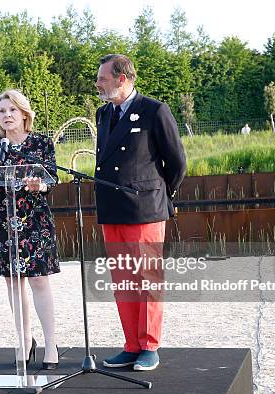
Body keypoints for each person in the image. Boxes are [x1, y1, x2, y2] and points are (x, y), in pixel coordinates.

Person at [94, 54, 186, 371]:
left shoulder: (154, 110)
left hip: (144, 208)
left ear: (122, 78)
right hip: (111, 207)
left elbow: (177, 163)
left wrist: (159, 195)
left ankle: (149, 346)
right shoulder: (103, 114)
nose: (98, 84)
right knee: (123, 282)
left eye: (102, 78)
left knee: (147, 279)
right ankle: (131, 345)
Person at [0, 89, 61, 370]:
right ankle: (24, 340)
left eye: (12, 110)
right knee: (13, 282)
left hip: (34, 221)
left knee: (39, 281)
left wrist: (42, 184)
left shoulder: (41, 143)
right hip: (3, 221)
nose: (7, 116)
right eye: (2, 111)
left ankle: (51, 343)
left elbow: (52, 180)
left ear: (24, 113)